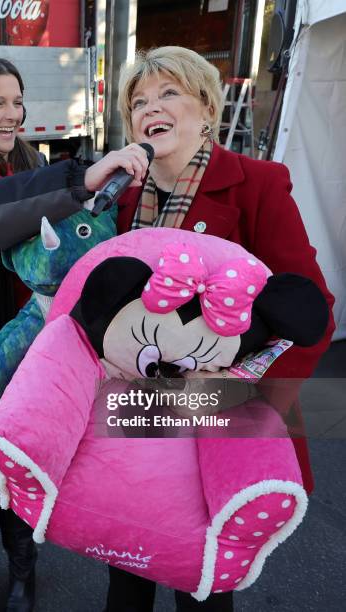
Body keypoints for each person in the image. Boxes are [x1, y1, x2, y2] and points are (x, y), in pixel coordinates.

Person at [100, 45, 336, 612]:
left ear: (207, 107)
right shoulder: (125, 198)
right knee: (125, 571)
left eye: (168, 93)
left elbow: (311, 311)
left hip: (216, 415)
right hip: (135, 414)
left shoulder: (255, 183)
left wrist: (240, 392)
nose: (150, 108)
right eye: (138, 102)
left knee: (200, 583)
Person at [0, 56, 149, 612]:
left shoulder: (28, 159)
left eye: (17, 102)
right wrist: (75, 179)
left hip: (32, 351)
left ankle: (24, 573)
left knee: (19, 475)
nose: (12, 114)